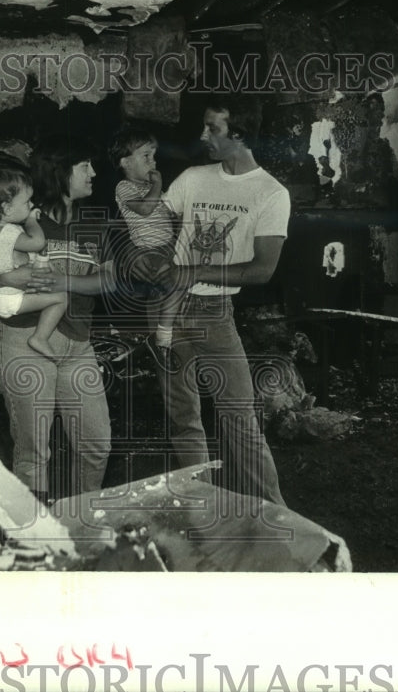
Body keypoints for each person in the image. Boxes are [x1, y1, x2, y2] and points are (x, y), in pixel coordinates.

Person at [0, 139, 116, 503]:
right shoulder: (23, 217)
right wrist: (2, 280)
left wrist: (65, 282)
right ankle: (34, 532)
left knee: (96, 443)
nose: (93, 172)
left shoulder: (96, 223)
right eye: (84, 166)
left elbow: (110, 280)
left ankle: (84, 517)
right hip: (22, 341)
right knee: (34, 451)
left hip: (77, 345)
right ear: (60, 175)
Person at [159, 101, 289, 506]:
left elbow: (263, 269)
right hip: (170, 309)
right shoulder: (193, 178)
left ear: (240, 135)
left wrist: (193, 271)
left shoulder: (271, 193)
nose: (203, 137)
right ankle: (202, 509)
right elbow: (153, 229)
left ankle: (275, 516)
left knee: (241, 424)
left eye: (212, 129)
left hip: (216, 315)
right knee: (183, 419)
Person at [0, 165, 67, 361]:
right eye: (27, 202)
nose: (31, 206)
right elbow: (38, 242)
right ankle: (40, 338)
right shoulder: (9, 232)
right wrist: (31, 221)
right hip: (8, 300)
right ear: (7, 207)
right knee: (61, 297)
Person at [109, 128, 183, 374]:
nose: (153, 162)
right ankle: (163, 336)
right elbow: (144, 210)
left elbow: (168, 212)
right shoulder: (124, 187)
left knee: (177, 283)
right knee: (175, 283)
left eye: (154, 155)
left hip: (168, 246)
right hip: (150, 251)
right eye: (146, 156)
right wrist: (158, 186)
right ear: (125, 162)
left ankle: (164, 333)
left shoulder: (152, 189)